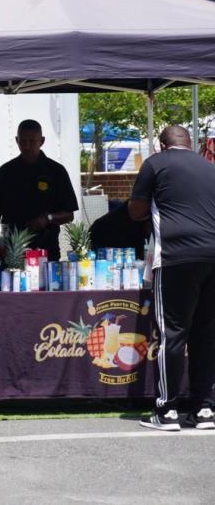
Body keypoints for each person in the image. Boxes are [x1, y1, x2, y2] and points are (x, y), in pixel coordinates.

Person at [129, 125, 215, 431]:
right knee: (205, 335)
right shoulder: (209, 166)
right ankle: (204, 409)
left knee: (172, 334)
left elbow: (136, 211)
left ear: (161, 144)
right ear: (189, 143)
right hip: (212, 255)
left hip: (176, 257)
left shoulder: (155, 163)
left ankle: (167, 409)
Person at [0, 119, 78, 260]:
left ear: (42, 141)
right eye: (23, 141)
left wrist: (47, 218)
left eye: (32, 141)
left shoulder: (56, 171)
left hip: (45, 250)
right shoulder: (5, 172)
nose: (27, 146)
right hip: (10, 251)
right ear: (17, 140)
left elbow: (69, 214)